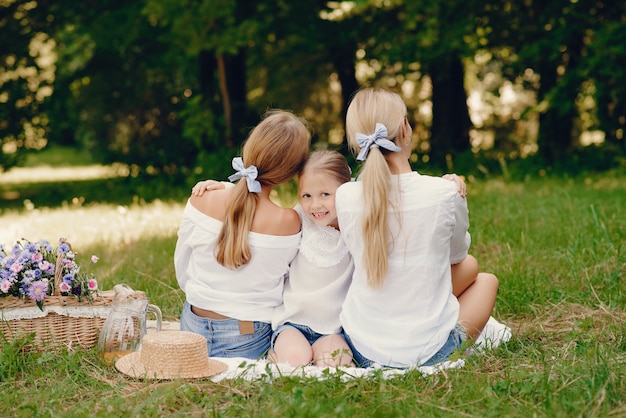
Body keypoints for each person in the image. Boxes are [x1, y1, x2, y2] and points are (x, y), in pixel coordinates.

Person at [193, 151, 470, 368]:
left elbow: (404, 205)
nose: (315, 205)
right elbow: (257, 210)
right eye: (307, 196)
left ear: (348, 192)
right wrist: (223, 187)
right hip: (293, 323)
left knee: (335, 365)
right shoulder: (298, 220)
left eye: (325, 195)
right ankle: (283, 355)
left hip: (337, 328)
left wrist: (447, 183)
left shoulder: (360, 223)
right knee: (295, 361)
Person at [336, 87, 499, 368]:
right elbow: (457, 256)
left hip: (362, 347)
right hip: (431, 351)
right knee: (485, 279)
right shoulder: (443, 193)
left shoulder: (345, 196)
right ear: (404, 128)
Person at [174, 109, 310, 359]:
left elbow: (182, 268)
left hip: (192, 328)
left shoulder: (201, 198)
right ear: (290, 173)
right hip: (247, 337)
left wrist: (225, 186)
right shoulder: (289, 222)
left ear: (249, 148)